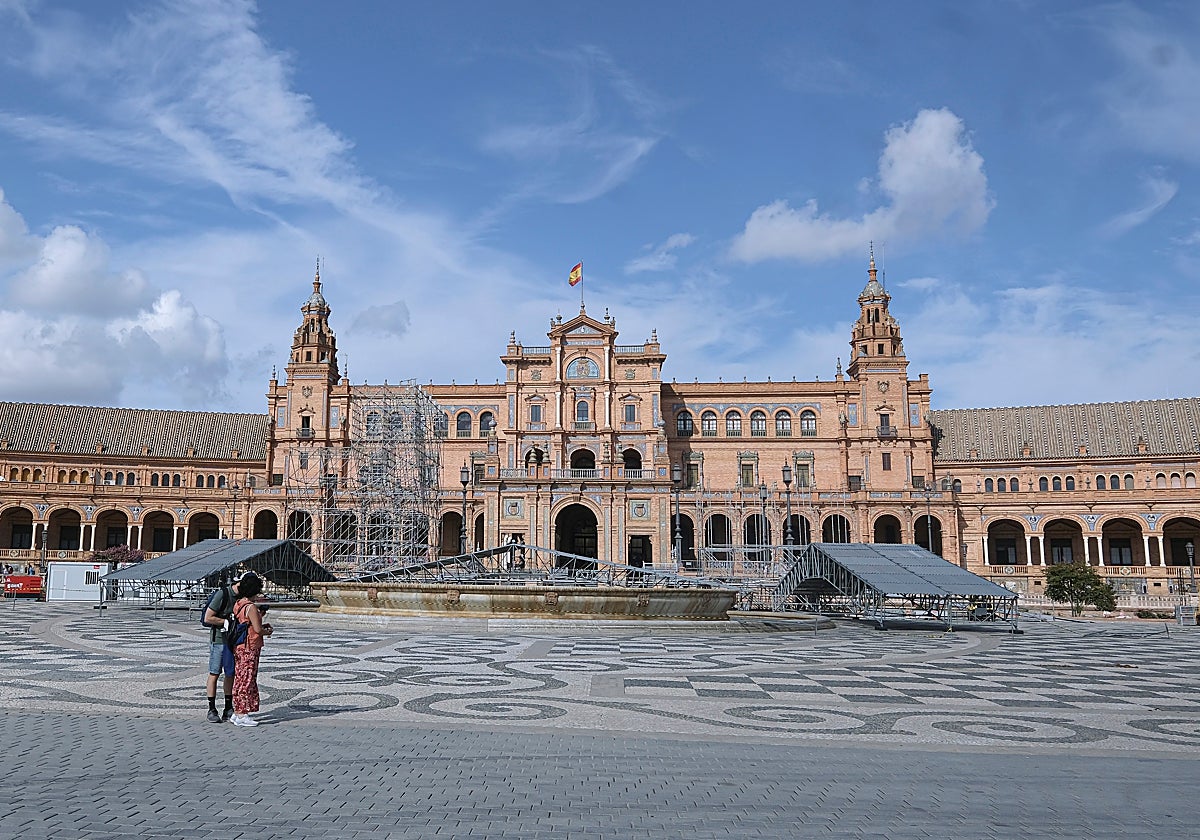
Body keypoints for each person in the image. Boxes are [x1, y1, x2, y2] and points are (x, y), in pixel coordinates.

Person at [202, 570, 252, 723]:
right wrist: (224, 622)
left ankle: (228, 707)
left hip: (233, 641)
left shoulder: (243, 597)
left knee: (231, 674)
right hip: (218, 640)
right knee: (215, 672)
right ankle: (211, 708)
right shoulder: (222, 595)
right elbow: (208, 617)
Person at [229, 572, 273, 728]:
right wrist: (267, 631)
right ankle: (242, 713)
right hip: (250, 646)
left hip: (239, 646)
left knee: (240, 678)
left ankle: (236, 712)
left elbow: (246, 623)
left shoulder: (239, 604)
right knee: (247, 679)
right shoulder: (251, 607)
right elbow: (258, 630)